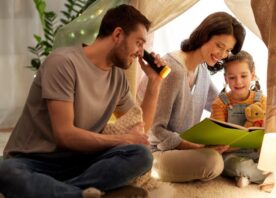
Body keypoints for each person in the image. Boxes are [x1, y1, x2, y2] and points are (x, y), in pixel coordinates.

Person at [0, 4, 165, 198]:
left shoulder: (118, 78)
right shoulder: (63, 62)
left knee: (141, 156)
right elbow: (65, 135)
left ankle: (61, 191)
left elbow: (140, 129)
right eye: (139, 42)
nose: (140, 51)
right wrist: (124, 139)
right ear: (118, 34)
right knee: (6, 172)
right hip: (34, 160)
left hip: (81, 161)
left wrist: (155, 82)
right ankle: (83, 193)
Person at [137, 12, 246, 182]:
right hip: (155, 152)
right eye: (219, 45)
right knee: (213, 162)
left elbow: (220, 103)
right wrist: (196, 146)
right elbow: (155, 132)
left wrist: (250, 110)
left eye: (228, 50)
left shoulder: (201, 69)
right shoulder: (173, 70)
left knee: (226, 155)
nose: (222, 55)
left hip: (183, 149)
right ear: (204, 36)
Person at [210, 50, 267, 187]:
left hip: (256, 153)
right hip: (232, 155)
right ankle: (260, 176)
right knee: (235, 166)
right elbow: (219, 138)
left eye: (243, 76)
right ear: (226, 79)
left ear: (252, 75)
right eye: (232, 77)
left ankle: (245, 177)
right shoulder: (220, 103)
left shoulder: (262, 100)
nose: (238, 82)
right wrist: (222, 145)